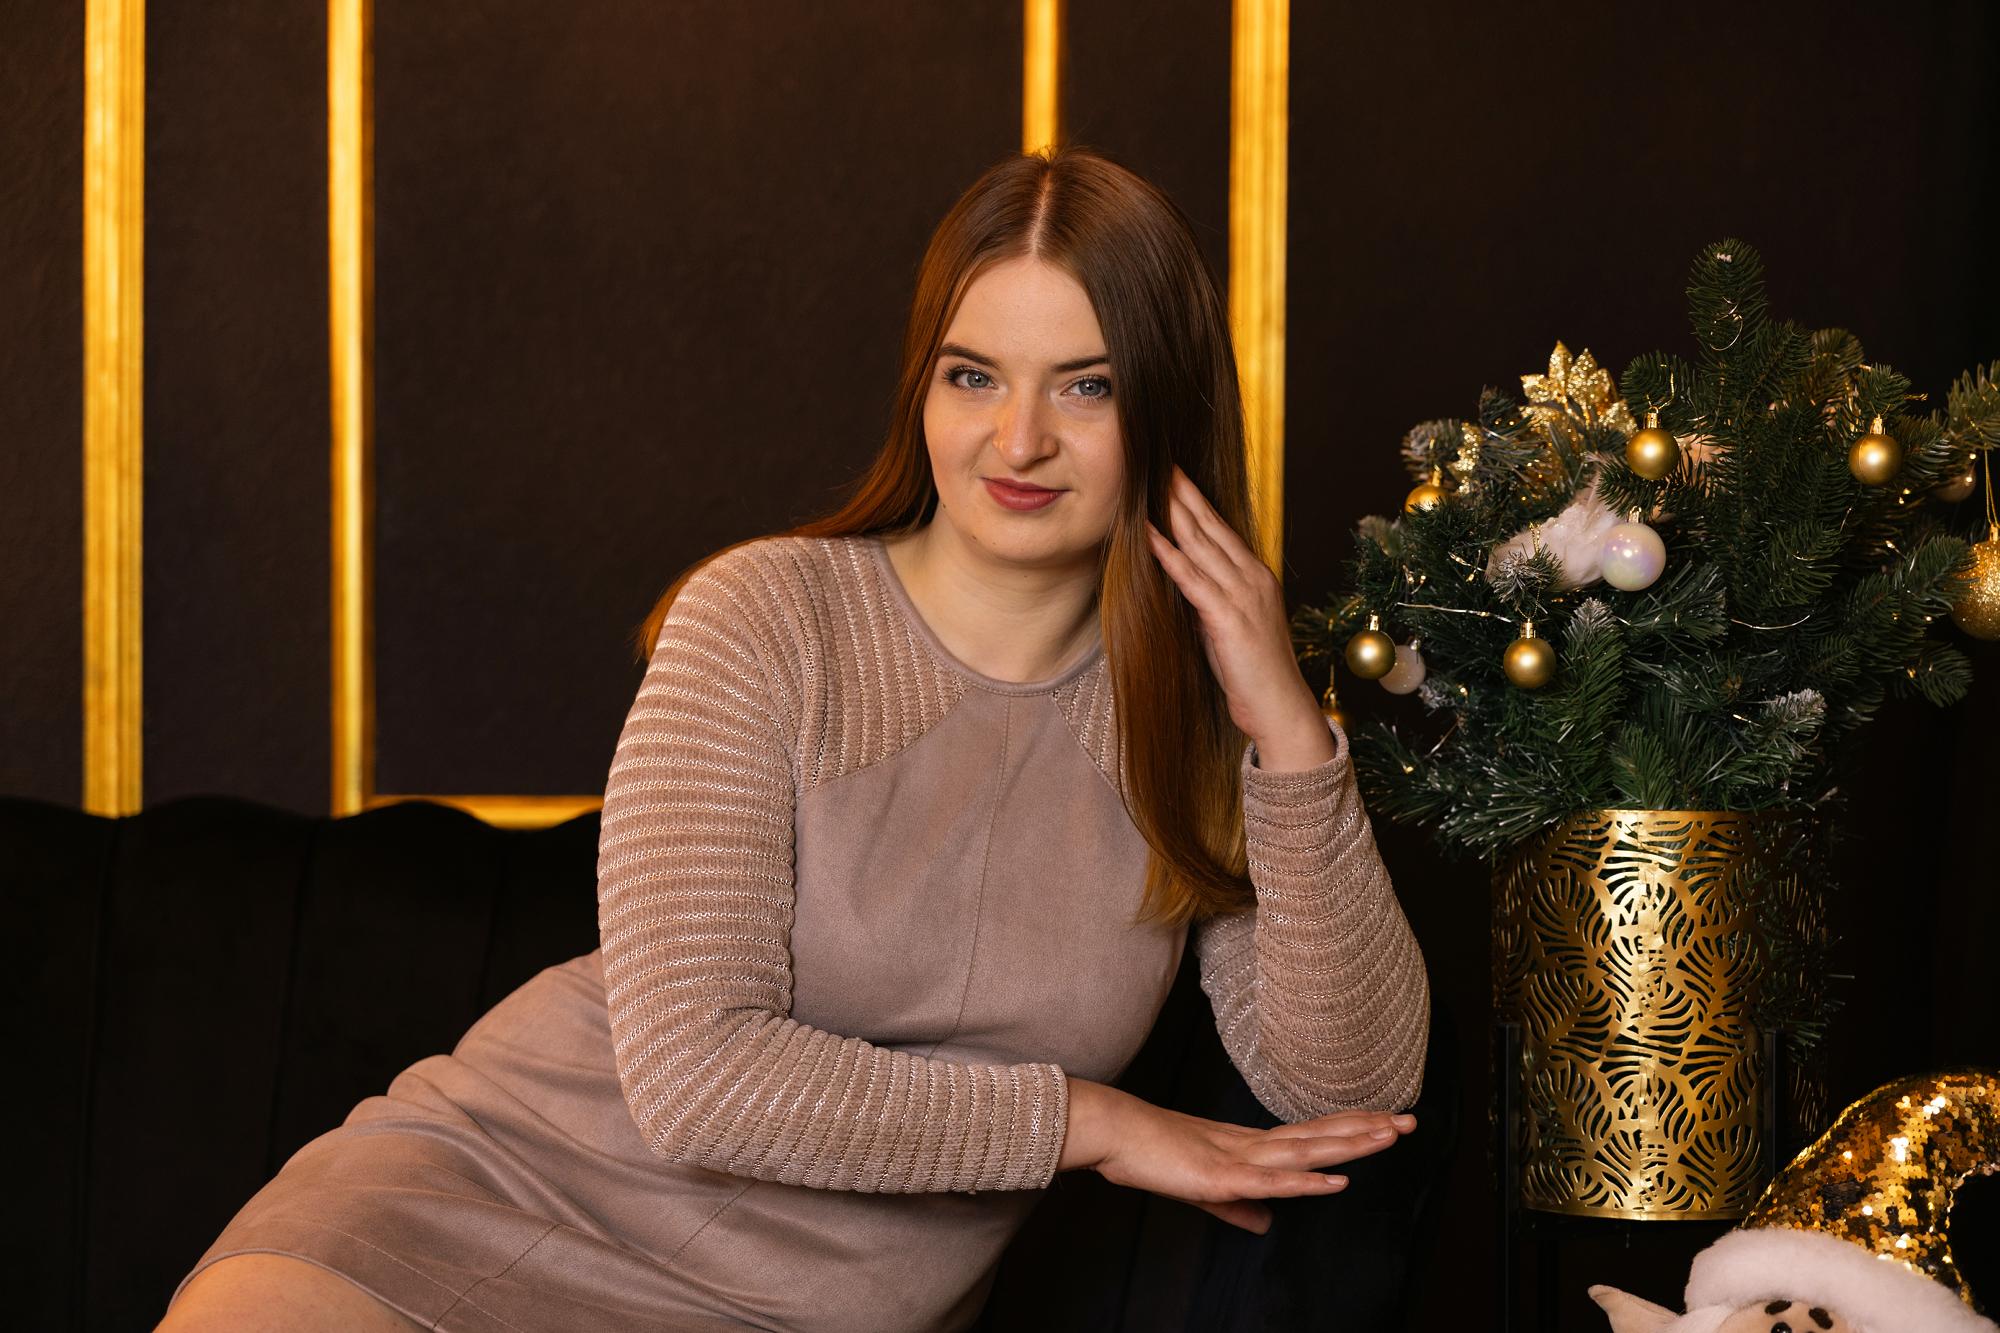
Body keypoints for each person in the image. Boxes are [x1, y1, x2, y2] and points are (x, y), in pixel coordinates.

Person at [159, 144, 1430, 1333]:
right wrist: (1087, 1123)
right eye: (972, 375)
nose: (1018, 440)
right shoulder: (764, 616)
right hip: (470, 1204)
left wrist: (1287, 730)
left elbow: (1347, 1086)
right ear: (921, 386)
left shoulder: (1196, 717)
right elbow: (696, 1080)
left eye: (1085, 386)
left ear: (1166, 411)